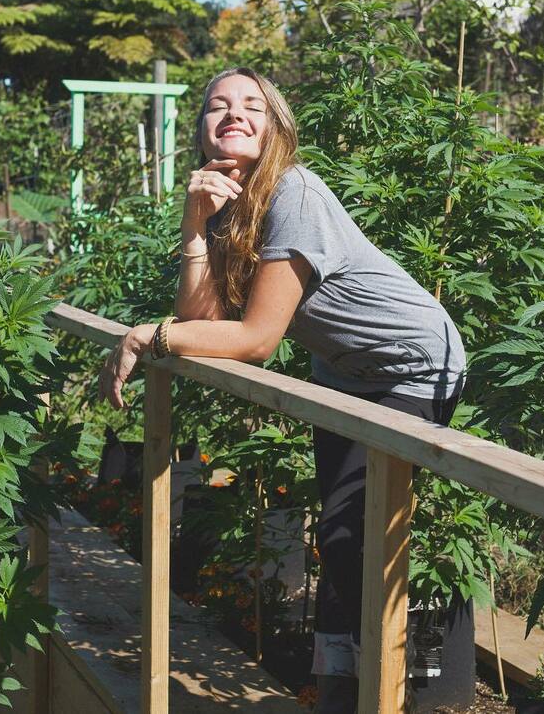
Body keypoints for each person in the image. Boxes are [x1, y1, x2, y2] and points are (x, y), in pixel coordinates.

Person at [97, 67, 466, 713]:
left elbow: (256, 339)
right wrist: (192, 225)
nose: (234, 114)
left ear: (276, 131)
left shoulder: (294, 191)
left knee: (360, 532)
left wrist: (146, 335)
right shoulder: (225, 204)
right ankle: (335, 693)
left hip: (414, 361)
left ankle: (381, 694)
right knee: (337, 533)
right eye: (218, 105)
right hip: (345, 370)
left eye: (251, 107)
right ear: (202, 129)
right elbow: (203, 322)